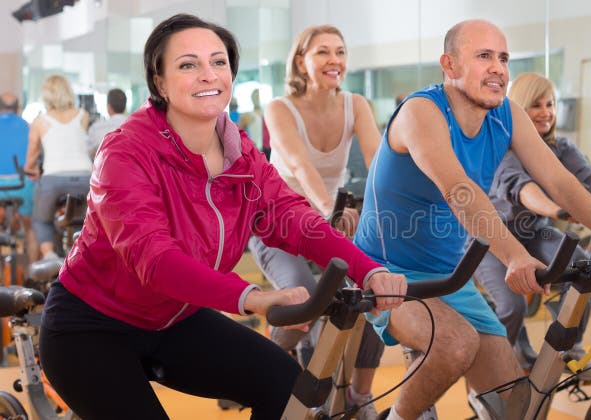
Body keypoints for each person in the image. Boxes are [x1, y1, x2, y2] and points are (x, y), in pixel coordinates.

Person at [37, 14, 406, 420]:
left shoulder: (241, 154)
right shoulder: (125, 152)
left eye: (218, 62)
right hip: (92, 328)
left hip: (175, 320)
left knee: (288, 388)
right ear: (159, 82)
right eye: (188, 64)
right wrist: (252, 296)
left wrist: (369, 270)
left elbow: (292, 217)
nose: (207, 74)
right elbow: (154, 259)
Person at [353, 19, 591, 420]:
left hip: (448, 275)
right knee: (455, 345)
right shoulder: (421, 112)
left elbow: (564, 183)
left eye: (503, 57)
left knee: (515, 403)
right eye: (484, 56)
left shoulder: (507, 115)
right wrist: (515, 255)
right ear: (449, 65)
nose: (498, 67)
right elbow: (459, 190)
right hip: (384, 270)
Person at [247, 24, 383, 419]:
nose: (334, 60)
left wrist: (388, 204)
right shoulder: (279, 108)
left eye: (340, 52)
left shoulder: (355, 104)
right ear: (302, 62)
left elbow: (377, 164)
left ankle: (359, 398)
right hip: (277, 223)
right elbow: (298, 165)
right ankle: (254, 370)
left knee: (370, 289)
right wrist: (329, 208)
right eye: (323, 52)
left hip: (325, 224)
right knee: (304, 302)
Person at [473, 71, 591, 378]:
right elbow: (521, 189)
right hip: (491, 238)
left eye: (550, 104)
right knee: (512, 306)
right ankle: (495, 369)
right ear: (519, 108)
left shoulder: (561, 148)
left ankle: (567, 348)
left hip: (535, 231)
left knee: (581, 268)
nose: (546, 112)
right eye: (537, 104)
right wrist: (558, 209)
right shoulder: (501, 149)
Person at [24, 75, 93, 260]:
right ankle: (79, 255)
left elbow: (32, 155)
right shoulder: (82, 116)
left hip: (53, 179)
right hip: (84, 178)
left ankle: (50, 258)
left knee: (41, 221)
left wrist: (31, 168)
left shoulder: (40, 121)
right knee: (82, 220)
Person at [0, 92, 37, 259]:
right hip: (22, 186)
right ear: (18, 108)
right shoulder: (28, 127)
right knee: (31, 228)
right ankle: (35, 278)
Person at [86, 88, 127, 158]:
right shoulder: (135, 127)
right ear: (125, 106)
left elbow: (88, 151)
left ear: (109, 106)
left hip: (104, 166)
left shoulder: (96, 128)